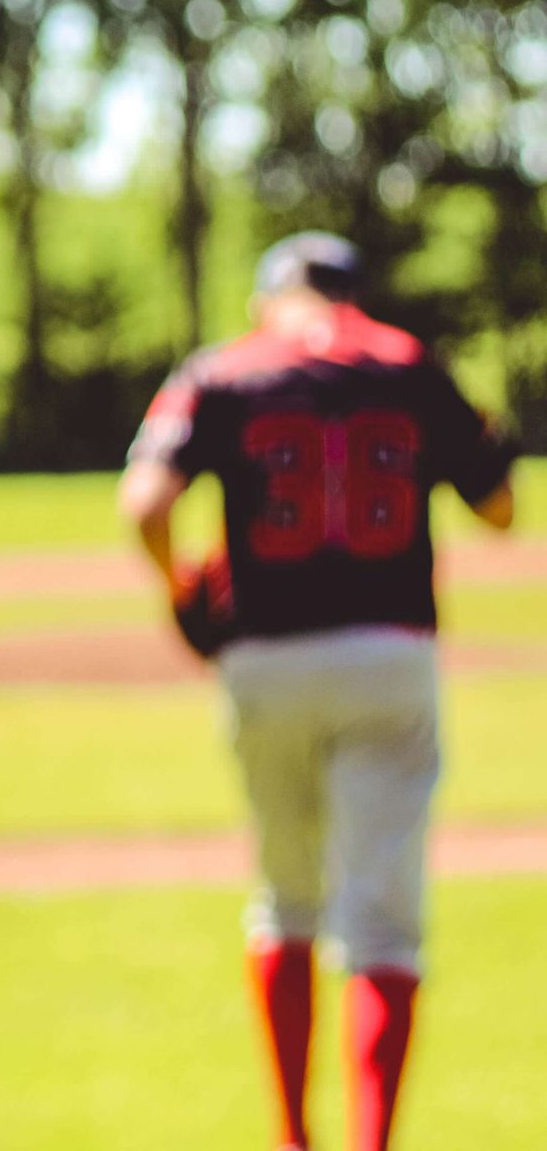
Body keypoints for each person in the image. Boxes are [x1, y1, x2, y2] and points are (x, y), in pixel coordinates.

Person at [118, 232, 516, 1151]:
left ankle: (293, 1138)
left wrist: (182, 585)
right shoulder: (408, 361)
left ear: (269, 297)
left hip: (265, 656)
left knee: (285, 901)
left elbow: (143, 503)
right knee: (383, 929)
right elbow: (499, 509)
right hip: (391, 649)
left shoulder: (224, 368)